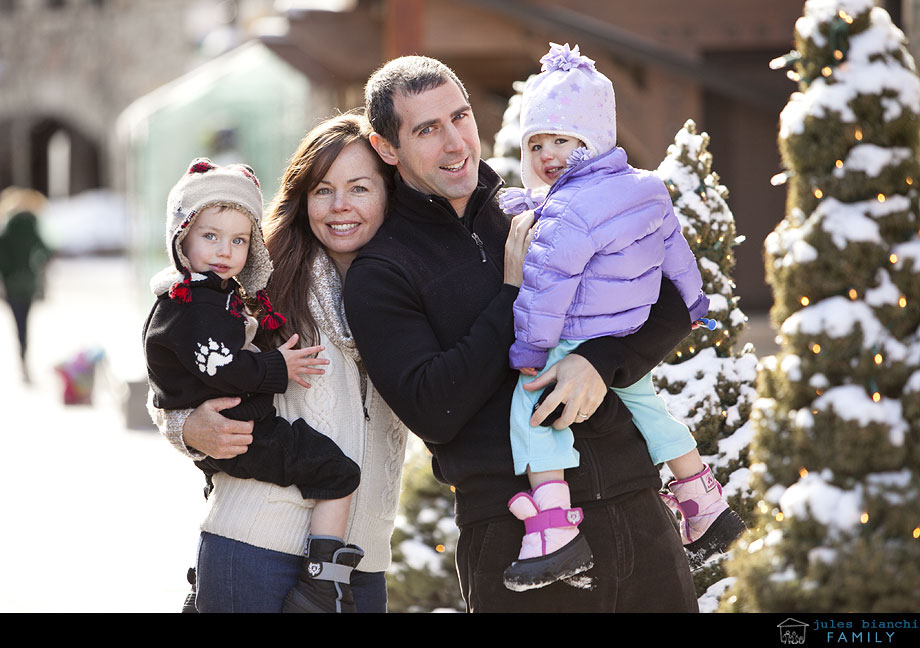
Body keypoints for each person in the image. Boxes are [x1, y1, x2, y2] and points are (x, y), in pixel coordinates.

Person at [345, 54, 699, 612]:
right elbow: (434, 408)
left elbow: (675, 300)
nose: (456, 141)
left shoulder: (542, 206)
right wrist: (511, 294)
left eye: (460, 117)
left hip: (636, 509)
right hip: (519, 540)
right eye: (427, 129)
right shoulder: (383, 272)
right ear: (388, 148)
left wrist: (600, 363)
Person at [496, 43, 745, 590]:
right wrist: (694, 300)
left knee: (532, 411)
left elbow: (545, 292)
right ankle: (703, 500)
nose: (547, 154)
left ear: (593, 139)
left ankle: (554, 528)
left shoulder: (565, 215)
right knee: (651, 411)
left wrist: (531, 352)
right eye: (536, 142)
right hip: (625, 332)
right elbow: (677, 254)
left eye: (563, 140)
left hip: (572, 338)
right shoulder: (645, 189)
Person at [148, 114, 408, 613]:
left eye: (359, 188)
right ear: (302, 198)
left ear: (388, 195)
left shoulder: (409, 293)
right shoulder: (258, 280)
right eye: (323, 190)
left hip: (364, 562)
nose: (340, 207)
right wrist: (184, 426)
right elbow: (175, 365)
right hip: (253, 548)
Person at [0, 187, 51, 383]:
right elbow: (45, 248)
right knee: (26, 321)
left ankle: (21, 355)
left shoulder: (7, 225)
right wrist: (37, 267)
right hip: (28, 282)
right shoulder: (32, 223)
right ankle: (24, 353)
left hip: (12, 284)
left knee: (17, 321)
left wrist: (6, 274)